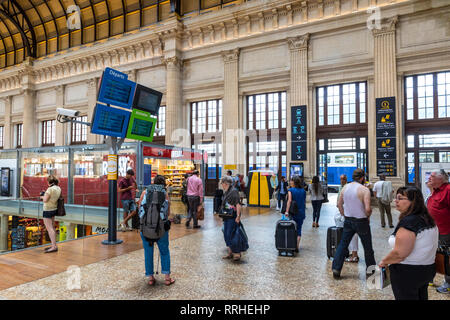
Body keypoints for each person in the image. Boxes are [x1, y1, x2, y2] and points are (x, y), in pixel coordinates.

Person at [379, 187, 438, 300]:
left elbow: (400, 254)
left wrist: (384, 261)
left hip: (408, 273)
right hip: (427, 269)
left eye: (400, 198)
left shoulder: (409, 222)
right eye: (396, 198)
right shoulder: (427, 219)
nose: (396, 201)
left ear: (413, 201)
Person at [332, 168, 376, 279]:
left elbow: (339, 204)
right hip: (361, 221)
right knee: (367, 247)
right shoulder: (364, 190)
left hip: (348, 220)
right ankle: (371, 273)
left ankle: (336, 269)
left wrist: (344, 215)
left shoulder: (345, 187)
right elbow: (367, 209)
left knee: (343, 245)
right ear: (362, 178)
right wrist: (368, 216)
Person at [137, 175, 175, 286]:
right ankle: (167, 278)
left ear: (153, 182)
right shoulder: (165, 194)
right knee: (164, 251)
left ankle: (151, 278)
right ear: (163, 184)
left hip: (145, 228)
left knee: (148, 253)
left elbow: (140, 209)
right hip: (161, 229)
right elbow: (167, 213)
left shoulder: (145, 192)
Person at [426, 169, 450, 294]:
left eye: (432, 176)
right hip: (433, 231)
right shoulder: (435, 191)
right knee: (433, 255)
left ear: (441, 178)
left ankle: (448, 283)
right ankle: (430, 277)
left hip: (445, 231)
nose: (429, 178)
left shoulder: (448, 190)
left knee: (446, 259)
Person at [220, 176, 244, 261]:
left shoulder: (234, 191)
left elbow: (238, 205)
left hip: (232, 217)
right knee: (227, 234)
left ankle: (237, 253)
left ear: (225, 183)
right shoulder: (227, 191)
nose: (221, 185)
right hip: (227, 217)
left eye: (222, 183)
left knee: (233, 235)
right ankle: (230, 252)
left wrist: (238, 216)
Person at [337, 174, 359, 263]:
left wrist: (343, 214)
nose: (342, 180)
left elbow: (340, 203)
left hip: (350, 216)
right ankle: (353, 254)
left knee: (352, 236)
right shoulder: (342, 188)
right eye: (341, 179)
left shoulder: (346, 189)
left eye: (343, 179)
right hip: (351, 215)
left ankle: (354, 255)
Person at [41, 175, 62, 253]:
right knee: (52, 228)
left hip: (47, 210)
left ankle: (53, 246)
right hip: (54, 208)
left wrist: (42, 196)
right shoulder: (58, 188)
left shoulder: (50, 189)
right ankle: (54, 245)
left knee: (49, 229)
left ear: (49, 182)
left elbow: (45, 200)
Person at [285, 175, 307, 252]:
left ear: (294, 182)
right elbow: (304, 202)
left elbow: (289, 201)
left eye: (291, 181)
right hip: (301, 213)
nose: (290, 182)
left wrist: (287, 211)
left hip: (293, 213)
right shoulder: (303, 191)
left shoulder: (291, 190)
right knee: (299, 229)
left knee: (292, 229)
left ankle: (291, 245)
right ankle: (297, 246)